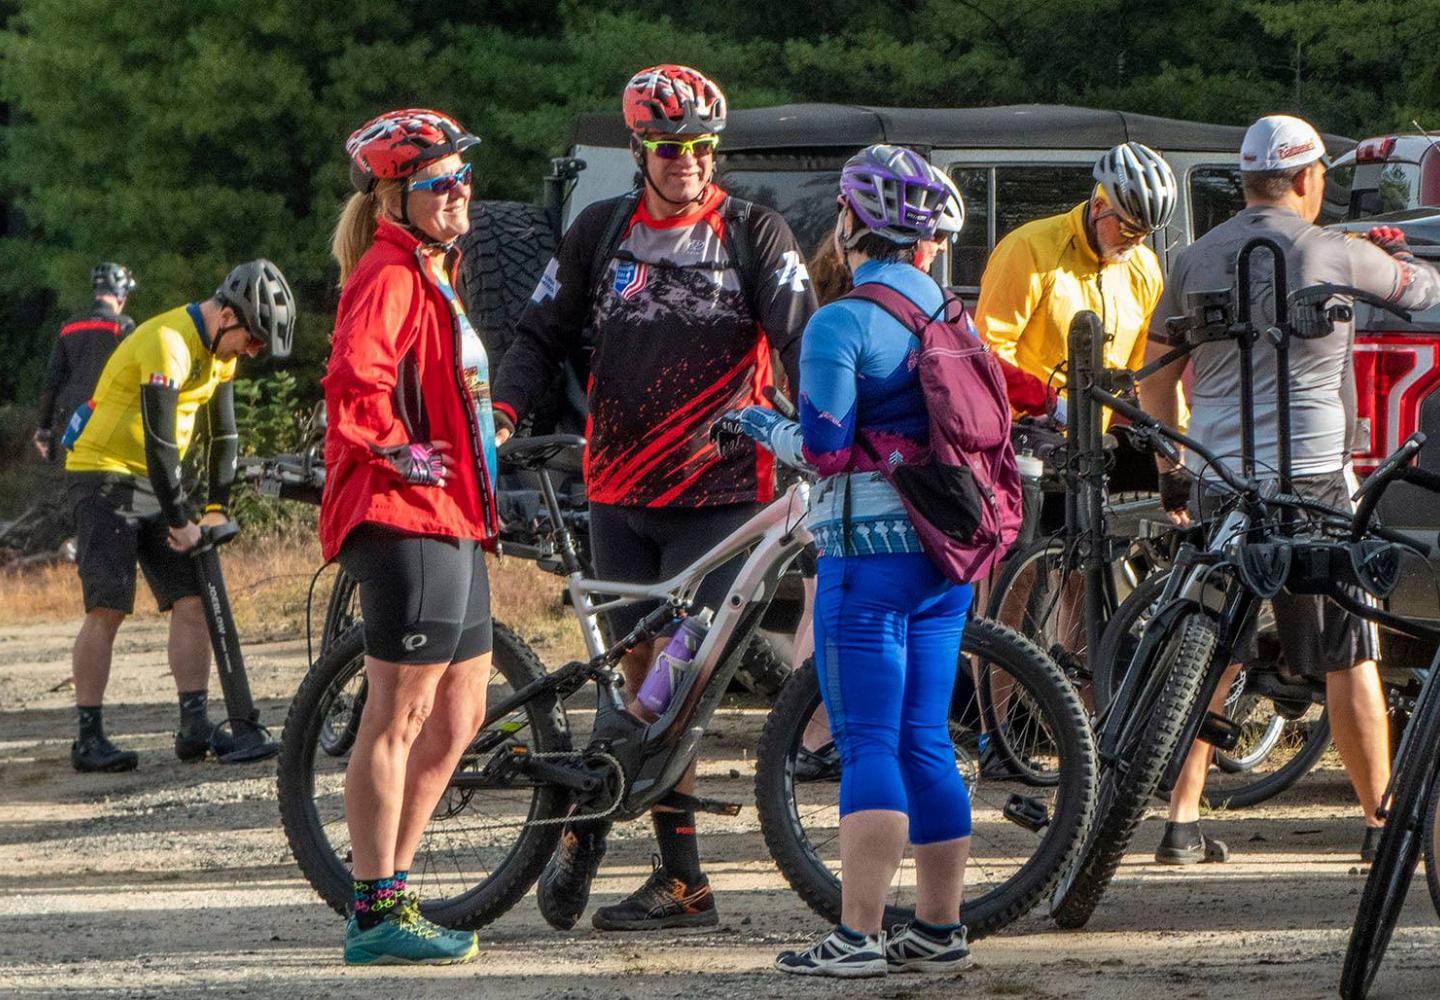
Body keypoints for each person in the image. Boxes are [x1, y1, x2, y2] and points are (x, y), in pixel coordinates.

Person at [493, 64, 816, 933]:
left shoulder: (754, 232)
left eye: (702, 148)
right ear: (640, 148)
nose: (688, 162)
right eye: (671, 148)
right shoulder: (600, 230)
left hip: (720, 493)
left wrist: (829, 426)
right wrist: (500, 411)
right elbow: (538, 334)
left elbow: (800, 342)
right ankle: (671, 871)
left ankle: (592, 823)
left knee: (677, 689)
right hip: (616, 492)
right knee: (643, 687)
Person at [1139, 113, 1440, 865]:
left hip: (1219, 479)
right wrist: (1380, 254)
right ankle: (1380, 821)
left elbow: (1155, 377)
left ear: (1245, 182)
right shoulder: (1334, 252)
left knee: (1212, 649)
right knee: (1347, 650)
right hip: (1313, 485)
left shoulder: (1195, 258)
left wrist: (1176, 465)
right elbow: (1424, 291)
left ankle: (1179, 819)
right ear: (1310, 180)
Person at [716, 144, 977, 977]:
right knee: (926, 741)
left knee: (867, 743)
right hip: (944, 557)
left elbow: (825, 449)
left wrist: (758, 423)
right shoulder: (949, 314)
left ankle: (857, 936)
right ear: (928, 240)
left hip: (866, 559)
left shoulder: (842, 320)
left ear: (849, 224)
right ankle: (939, 929)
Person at [322, 108, 500, 966]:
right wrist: (403, 455)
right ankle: (374, 910)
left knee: (460, 711)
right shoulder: (388, 272)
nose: (459, 190)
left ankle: (395, 886)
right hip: (404, 514)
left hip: (454, 514)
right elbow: (355, 385)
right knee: (397, 715)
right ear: (397, 197)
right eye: (440, 182)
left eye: (464, 174)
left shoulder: (435, 267)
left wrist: (486, 424)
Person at [62, 259, 294, 773]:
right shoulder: (167, 340)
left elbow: (224, 437)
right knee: (109, 605)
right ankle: (89, 737)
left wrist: (214, 510)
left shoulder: (221, 356)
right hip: (102, 475)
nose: (253, 351)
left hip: (154, 480)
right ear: (229, 318)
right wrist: (180, 520)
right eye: (254, 339)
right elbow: (161, 443)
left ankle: (194, 727)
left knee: (192, 601)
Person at [34, 263, 138, 461]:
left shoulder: (69, 327)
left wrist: (44, 428)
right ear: (121, 294)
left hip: (71, 423)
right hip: (112, 420)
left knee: (73, 483)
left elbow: (52, 381)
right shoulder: (124, 326)